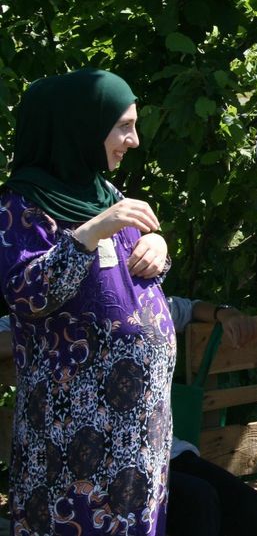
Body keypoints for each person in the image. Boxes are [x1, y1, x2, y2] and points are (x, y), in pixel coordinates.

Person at [0, 68, 175, 535]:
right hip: (73, 438)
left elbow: (134, 275)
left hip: (139, 436)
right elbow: (26, 291)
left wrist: (159, 251)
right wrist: (93, 230)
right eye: (123, 126)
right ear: (78, 126)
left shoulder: (104, 193)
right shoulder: (22, 204)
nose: (134, 140)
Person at [164, 297, 257, 536]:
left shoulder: (145, 299)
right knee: (197, 500)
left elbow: (188, 308)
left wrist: (225, 312)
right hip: (123, 463)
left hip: (169, 452)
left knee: (252, 509)